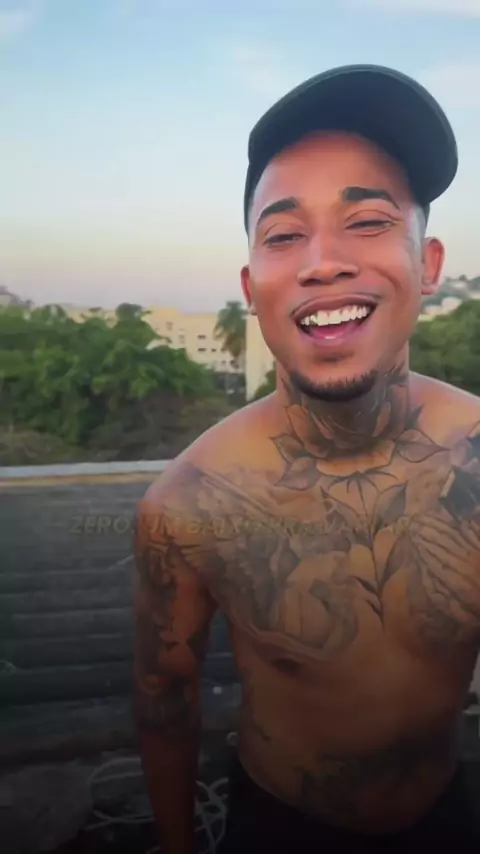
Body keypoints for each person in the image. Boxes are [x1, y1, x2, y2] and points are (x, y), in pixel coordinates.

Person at [133, 64, 480, 852]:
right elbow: (164, 697)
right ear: (252, 286)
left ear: (428, 264)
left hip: (447, 812)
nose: (323, 261)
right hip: (280, 823)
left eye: (368, 221)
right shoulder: (187, 506)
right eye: (285, 235)